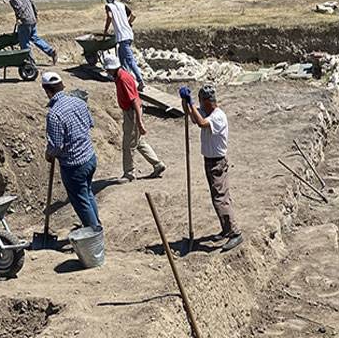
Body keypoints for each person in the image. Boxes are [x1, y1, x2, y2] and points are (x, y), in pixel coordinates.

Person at [180, 85, 243, 252]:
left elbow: (200, 123)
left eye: (201, 102)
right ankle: (226, 229)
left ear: (208, 102)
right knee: (217, 197)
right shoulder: (207, 113)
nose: (199, 105)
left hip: (217, 163)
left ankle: (235, 233)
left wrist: (191, 103)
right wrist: (185, 102)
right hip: (209, 161)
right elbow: (192, 117)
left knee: (220, 199)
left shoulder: (218, 117)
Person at [42, 72, 99, 227]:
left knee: (81, 201)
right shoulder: (79, 102)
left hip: (74, 166)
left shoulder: (54, 115)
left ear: (47, 91)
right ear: (62, 86)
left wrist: (48, 154)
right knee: (87, 193)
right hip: (90, 157)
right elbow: (89, 124)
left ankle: (94, 233)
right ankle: (96, 224)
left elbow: (56, 146)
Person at [104, 55, 165, 183]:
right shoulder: (120, 76)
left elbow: (135, 101)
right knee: (138, 142)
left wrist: (139, 121)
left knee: (128, 145)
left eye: (108, 69)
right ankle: (157, 164)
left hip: (131, 113)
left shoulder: (123, 79)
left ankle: (129, 173)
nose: (107, 72)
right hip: (130, 112)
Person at [0, 0, 56, 65]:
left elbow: (18, 6)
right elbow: (31, 1)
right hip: (32, 17)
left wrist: (19, 18)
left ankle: (30, 62)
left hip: (25, 19)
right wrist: (35, 14)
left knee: (24, 42)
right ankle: (50, 51)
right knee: (34, 37)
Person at [101, 0, 145, 91]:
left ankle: (140, 81)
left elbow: (110, 17)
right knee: (122, 59)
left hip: (122, 37)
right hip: (128, 35)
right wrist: (128, 24)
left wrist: (105, 30)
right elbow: (133, 15)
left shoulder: (109, 6)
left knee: (130, 60)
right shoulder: (121, 5)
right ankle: (126, 79)